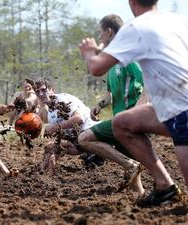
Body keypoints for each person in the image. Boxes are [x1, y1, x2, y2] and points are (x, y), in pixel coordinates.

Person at [79, 0, 188, 207]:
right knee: (122, 123)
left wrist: (89, 52)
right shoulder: (180, 20)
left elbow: (95, 68)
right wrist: (102, 105)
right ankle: (164, 186)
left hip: (182, 112)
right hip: (170, 109)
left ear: (131, 2)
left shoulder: (136, 27)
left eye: (101, 33)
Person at [77, 14, 145, 195]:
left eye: (100, 33)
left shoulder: (129, 56)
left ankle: (132, 166)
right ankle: (141, 197)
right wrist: (99, 105)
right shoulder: (113, 62)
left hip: (132, 121)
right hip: (121, 121)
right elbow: (110, 94)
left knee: (84, 138)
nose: (99, 37)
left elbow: (147, 83)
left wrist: (139, 115)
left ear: (109, 31)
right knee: (131, 177)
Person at [35, 79, 100, 172]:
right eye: (37, 92)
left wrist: (54, 128)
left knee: (95, 167)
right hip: (79, 141)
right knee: (50, 147)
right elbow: (62, 136)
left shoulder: (62, 99)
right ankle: (43, 172)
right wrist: (54, 151)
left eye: (44, 90)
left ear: (52, 89)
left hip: (92, 134)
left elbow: (79, 118)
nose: (41, 94)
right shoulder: (50, 113)